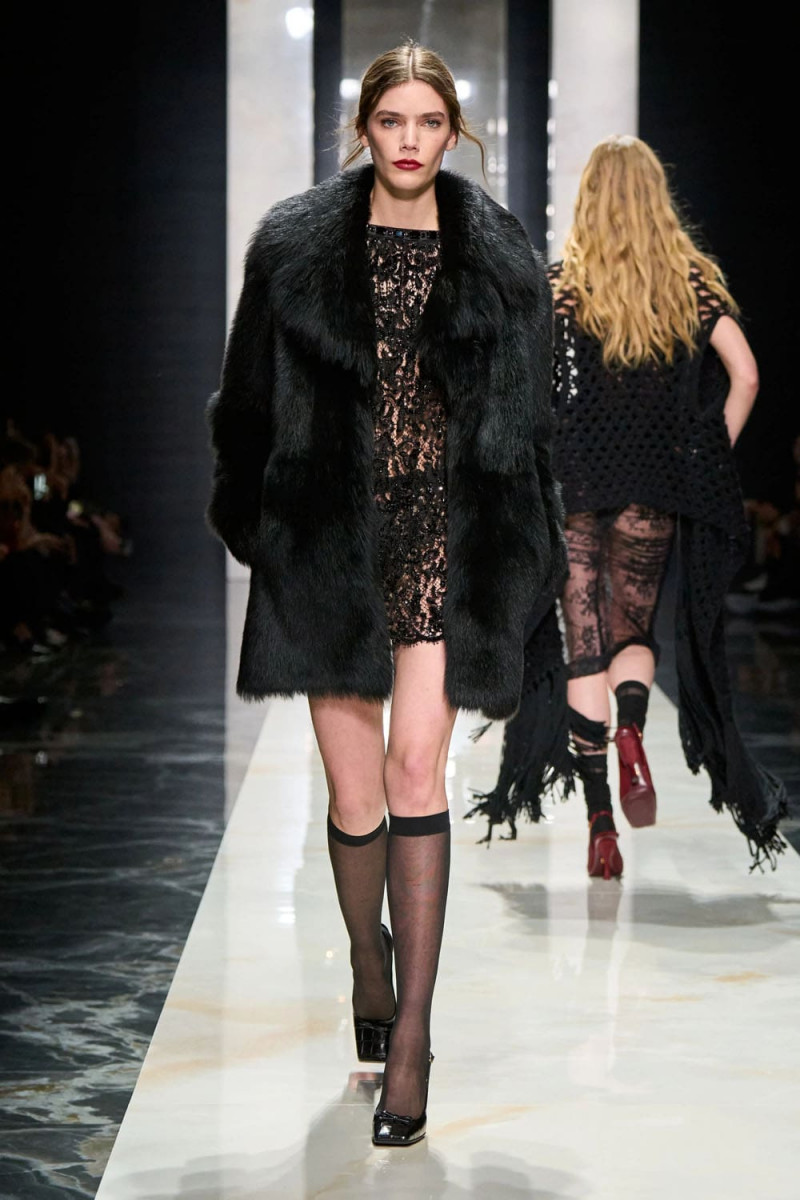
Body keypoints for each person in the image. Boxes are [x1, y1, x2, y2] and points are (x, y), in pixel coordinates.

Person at [205, 41, 565, 1147]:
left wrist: (525, 556)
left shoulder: (502, 259)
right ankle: (369, 959)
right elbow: (244, 404)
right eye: (391, 121)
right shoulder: (294, 248)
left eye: (429, 122)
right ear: (362, 128)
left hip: (443, 539)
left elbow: (530, 429)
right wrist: (262, 530)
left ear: (454, 131)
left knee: (417, 773)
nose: (410, 141)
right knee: (355, 796)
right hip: (332, 542)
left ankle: (411, 1037)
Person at [470, 135, 787, 876]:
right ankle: (633, 732)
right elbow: (745, 374)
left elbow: (519, 384)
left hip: (575, 486)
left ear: (588, 200)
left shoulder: (560, 287)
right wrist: (707, 453)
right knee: (631, 630)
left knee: (582, 643)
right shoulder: (688, 287)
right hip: (655, 486)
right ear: (656, 199)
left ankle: (601, 824)